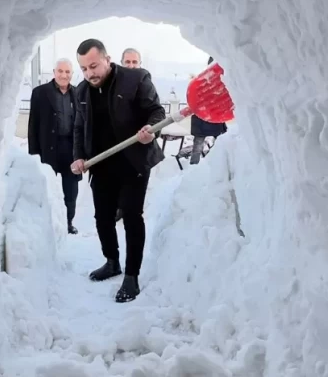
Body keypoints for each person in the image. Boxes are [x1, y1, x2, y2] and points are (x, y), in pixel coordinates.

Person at [70, 39, 165, 302]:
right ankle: (112, 261)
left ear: (107, 59)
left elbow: (156, 111)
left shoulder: (135, 79)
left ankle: (131, 277)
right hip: (101, 164)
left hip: (133, 162)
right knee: (102, 217)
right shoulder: (81, 92)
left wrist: (150, 130)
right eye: (84, 68)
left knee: (132, 216)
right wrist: (78, 156)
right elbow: (79, 127)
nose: (90, 73)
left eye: (94, 65)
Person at [27, 58, 81, 233]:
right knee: (47, 189)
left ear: (72, 74)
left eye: (67, 72)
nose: (64, 75)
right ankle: (46, 225)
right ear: (54, 72)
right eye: (60, 71)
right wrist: (34, 154)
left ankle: (67, 223)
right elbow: (33, 125)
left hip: (71, 149)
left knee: (71, 192)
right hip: (48, 148)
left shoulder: (78, 94)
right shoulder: (40, 93)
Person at [188, 56, 228, 165]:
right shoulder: (202, 81)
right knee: (199, 147)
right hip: (204, 118)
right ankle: (194, 169)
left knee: (220, 145)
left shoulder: (223, 80)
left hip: (214, 118)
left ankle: (218, 166)